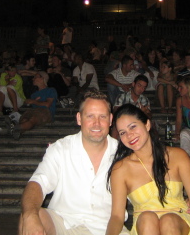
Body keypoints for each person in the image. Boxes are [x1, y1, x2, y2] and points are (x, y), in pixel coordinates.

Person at [18, 90, 129, 235]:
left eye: (102, 116)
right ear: (79, 118)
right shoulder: (61, 149)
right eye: (90, 116)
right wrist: (29, 216)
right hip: (64, 223)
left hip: (110, 227)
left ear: (110, 120)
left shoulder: (123, 154)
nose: (96, 123)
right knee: (30, 217)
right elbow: (38, 183)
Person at [106, 104, 190, 235]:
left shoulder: (177, 156)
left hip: (180, 222)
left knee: (168, 221)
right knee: (147, 218)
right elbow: (117, 217)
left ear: (147, 125)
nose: (129, 135)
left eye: (133, 127)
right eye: (122, 133)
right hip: (144, 226)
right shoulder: (120, 169)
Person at [10, 71, 57, 140]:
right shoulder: (33, 94)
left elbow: (47, 104)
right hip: (33, 111)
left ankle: (14, 127)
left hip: (45, 112)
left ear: (42, 79)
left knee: (33, 119)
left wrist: (34, 102)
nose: (33, 79)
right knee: (25, 119)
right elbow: (30, 103)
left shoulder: (51, 90)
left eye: (35, 77)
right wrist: (29, 102)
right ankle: (17, 130)